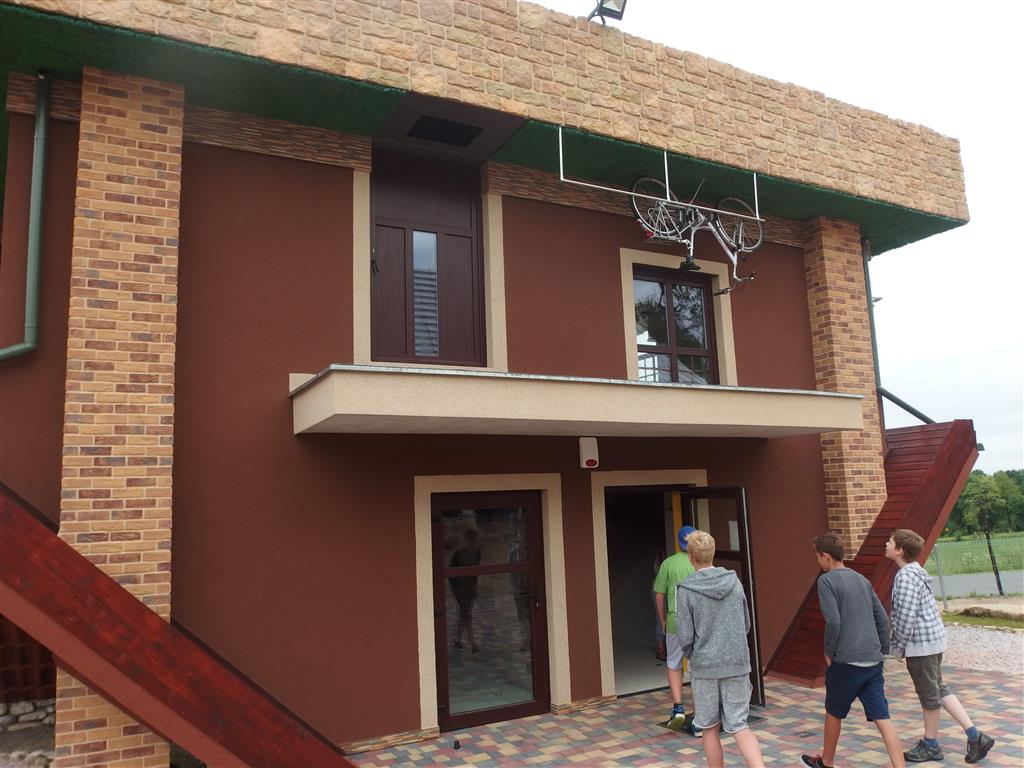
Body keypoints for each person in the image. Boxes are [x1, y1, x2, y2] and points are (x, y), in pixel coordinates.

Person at [885, 528, 995, 764]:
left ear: (900, 550)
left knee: (929, 695)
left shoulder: (905, 577)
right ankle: (975, 736)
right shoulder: (918, 571)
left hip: (921, 646)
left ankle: (931, 745)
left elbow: (905, 617)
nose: (886, 544)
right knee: (938, 688)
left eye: (890, 542)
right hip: (932, 642)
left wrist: (897, 648)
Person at [801, 533, 905, 768]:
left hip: (846, 662)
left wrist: (829, 651)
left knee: (834, 711)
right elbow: (882, 619)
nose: (817, 560)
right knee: (882, 716)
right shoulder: (862, 579)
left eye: (817, 556)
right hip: (873, 661)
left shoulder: (826, 581)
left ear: (826, 556)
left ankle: (826, 762)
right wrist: (882, 651)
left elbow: (834, 621)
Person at [677, 530, 764, 767]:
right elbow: (745, 623)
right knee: (739, 724)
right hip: (736, 663)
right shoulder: (734, 582)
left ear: (690, 557)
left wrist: (695, 656)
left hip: (705, 667)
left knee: (709, 728)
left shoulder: (685, 590)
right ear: (712, 554)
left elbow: (685, 636)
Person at [654, 524, 700, 735]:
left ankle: (678, 707)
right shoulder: (701, 561)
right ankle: (700, 714)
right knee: (697, 667)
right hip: (697, 622)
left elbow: (659, 595)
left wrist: (662, 619)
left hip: (674, 620)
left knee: (674, 664)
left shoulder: (668, 563)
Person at [449, 528, 481, 653]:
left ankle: (458, 640)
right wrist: (456, 590)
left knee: (464, 614)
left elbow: (476, 572)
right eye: (471, 539)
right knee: (466, 614)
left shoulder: (477, 552)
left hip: (470, 588)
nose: (473, 542)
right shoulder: (459, 552)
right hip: (460, 589)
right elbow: (451, 573)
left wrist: (475, 587)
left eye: (474, 539)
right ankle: (473, 644)